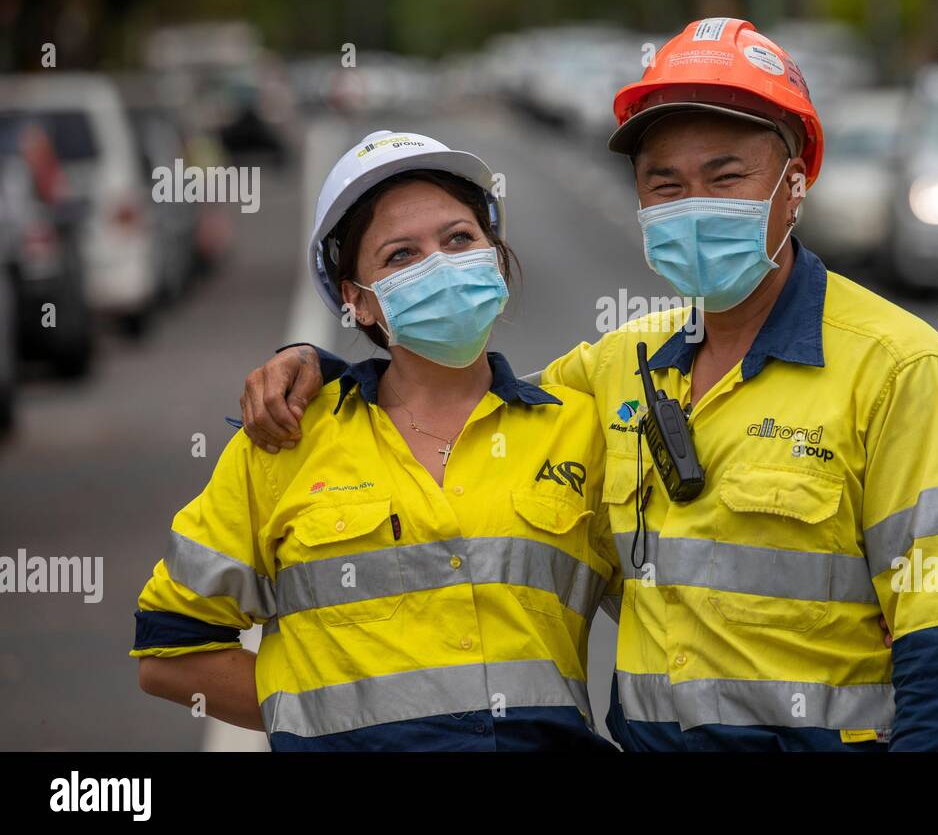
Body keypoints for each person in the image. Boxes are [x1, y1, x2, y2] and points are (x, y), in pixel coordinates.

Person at [241, 18, 938, 751]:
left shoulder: (898, 367)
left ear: (795, 181)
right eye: (664, 184)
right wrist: (323, 366)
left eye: (726, 175)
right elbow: (456, 400)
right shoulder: (617, 367)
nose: (694, 203)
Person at [131, 131, 618, 751]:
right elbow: (169, 655)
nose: (439, 264)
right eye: (400, 255)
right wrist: (331, 715)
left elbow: (671, 618)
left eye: (459, 239)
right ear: (358, 302)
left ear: (494, 256)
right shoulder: (285, 440)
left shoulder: (583, 430)